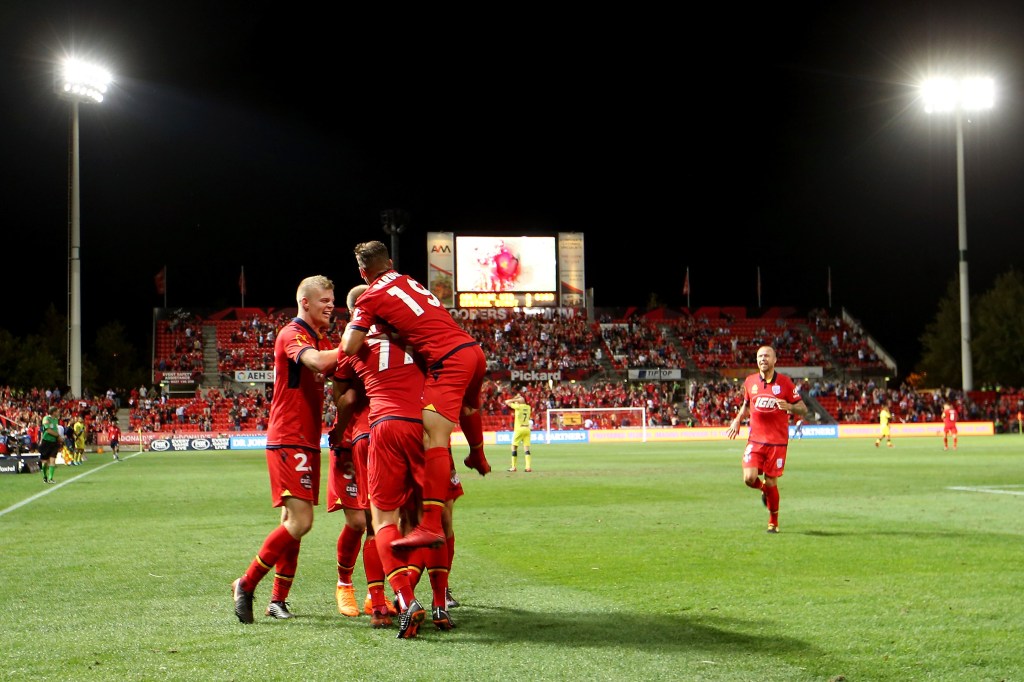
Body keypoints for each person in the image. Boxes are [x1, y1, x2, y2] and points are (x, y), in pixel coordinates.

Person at [342, 240, 490, 552]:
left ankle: (431, 523)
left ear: (362, 271)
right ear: (391, 262)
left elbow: (349, 347)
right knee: (468, 406)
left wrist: (359, 320)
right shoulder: (409, 280)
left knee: (431, 437)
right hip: (473, 352)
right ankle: (478, 454)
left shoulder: (369, 297)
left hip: (447, 360)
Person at [340, 283, 455, 638]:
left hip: (383, 429)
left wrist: (335, 433)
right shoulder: (420, 338)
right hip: (427, 430)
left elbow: (341, 389)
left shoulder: (356, 345)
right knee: (436, 519)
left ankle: (401, 600)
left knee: (380, 521)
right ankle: (440, 604)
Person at [231, 275, 340, 624]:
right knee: (301, 521)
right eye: (324, 299)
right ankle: (246, 583)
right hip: (289, 437)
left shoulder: (318, 337)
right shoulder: (292, 334)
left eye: (332, 299)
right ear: (305, 302)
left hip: (307, 439)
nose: (330, 305)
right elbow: (320, 363)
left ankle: (277, 600)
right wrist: (359, 342)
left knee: (291, 522)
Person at [726, 345, 807, 534]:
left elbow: (803, 408)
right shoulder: (750, 381)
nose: (763, 359)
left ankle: (773, 522)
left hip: (777, 442)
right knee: (749, 478)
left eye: (767, 356)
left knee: (772, 483)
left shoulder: (785, 383)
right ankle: (763, 489)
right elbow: (746, 405)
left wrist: (789, 406)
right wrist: (737, 420)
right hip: (755, 440)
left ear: (774, 360)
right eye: (760, 356)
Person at [504, 390, 533, 472]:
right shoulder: (528, 407)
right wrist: (519, 399)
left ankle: (513, 467)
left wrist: (515, 399)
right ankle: (528, 467)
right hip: (527, 429)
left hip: (519, 429)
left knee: (514, 447)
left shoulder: (518, 407)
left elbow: (506, 402)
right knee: (526, 449)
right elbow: (522, 402)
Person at [38, 405, 61, 484]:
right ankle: (45, 476)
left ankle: (51, 478)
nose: (58, 412)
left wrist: (59, 438)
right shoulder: (46, 419)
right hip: (46, 442)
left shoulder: (56, 420)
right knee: (44, 462)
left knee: (53, 460)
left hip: (54, 442)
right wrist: (58, 435)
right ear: (54, 412)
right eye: (57, 411)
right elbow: (48, 430)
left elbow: (55, 429)